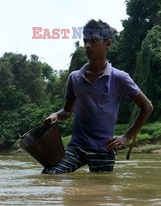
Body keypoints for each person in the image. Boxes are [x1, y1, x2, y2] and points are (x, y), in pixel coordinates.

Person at [43, 19, 153, 174]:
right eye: (85, 41)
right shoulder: (74, 78)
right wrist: (55, 115)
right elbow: (67, 112)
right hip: (77, 146)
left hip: (104, 148)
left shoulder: (119, 77)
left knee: (102, 193)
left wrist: (126, 137)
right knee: (49, 175)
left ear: (107, 44)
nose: (88, 45)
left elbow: (147, 107)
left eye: (94, 41)